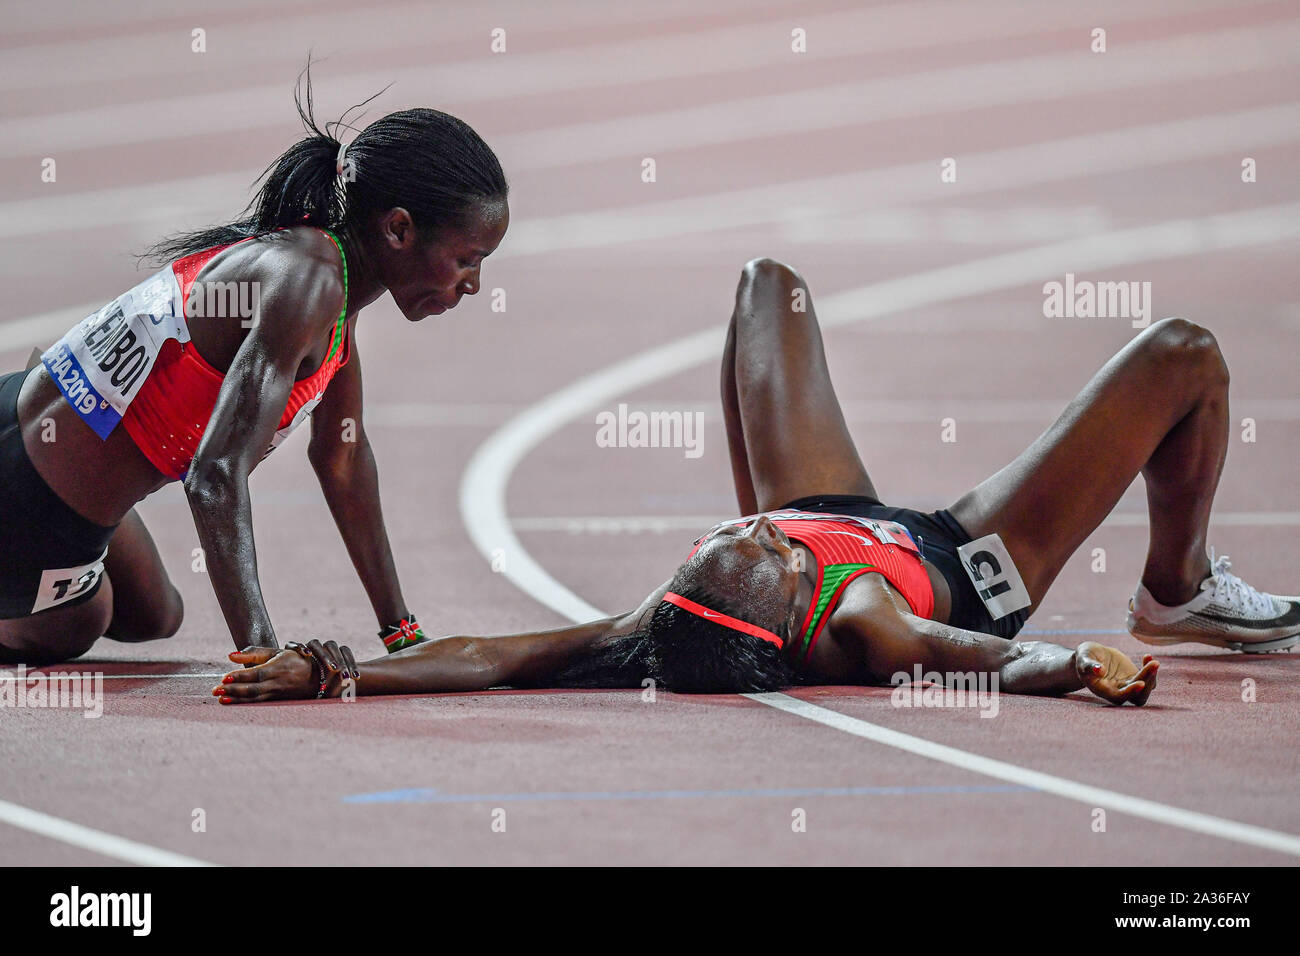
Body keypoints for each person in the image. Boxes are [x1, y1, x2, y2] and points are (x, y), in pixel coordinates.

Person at [214, 257, 1299, 705]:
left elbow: (493, 657)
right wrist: (1078, 665)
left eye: (726, 536)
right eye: (762, 550)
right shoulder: (871, 620)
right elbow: (982, 654)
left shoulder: (670, 613)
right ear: (787, 612)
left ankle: (806, 510)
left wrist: (335, 670)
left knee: (764, 286)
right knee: (1183, 355)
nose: (745, 528)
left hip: (837, 513)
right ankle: (1176, 583)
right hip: (962, 562)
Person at [0, 70, 509, 665]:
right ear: (398, 229)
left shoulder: (331, 286)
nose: (474, 285)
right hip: (26, 495)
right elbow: (214, 475)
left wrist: (399, 631)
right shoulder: (307, 282)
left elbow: (343, 457)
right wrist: (262, 654)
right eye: (468, 260)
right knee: (81, 627)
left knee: (157, 616)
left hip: (34, 426)